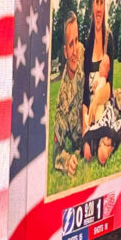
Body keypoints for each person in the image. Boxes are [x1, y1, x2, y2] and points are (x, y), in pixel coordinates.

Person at [82, 0, 121, 166]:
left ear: (105, 6)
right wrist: (85, 127)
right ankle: (101, 142)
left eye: (102, 2)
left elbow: (109, 87)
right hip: (91, 105)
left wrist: (95, 105)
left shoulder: (110, 39)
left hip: (105, 100)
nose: (99, 8)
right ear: (92, 6)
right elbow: (84, 93)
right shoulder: (86, 41)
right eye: (96, 2)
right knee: (88, 152)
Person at [53, 11, 85, 176]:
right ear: (65, 52)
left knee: (120, 98)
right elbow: (56, 152)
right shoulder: (63, 102)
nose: (75, 52)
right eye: (71, 45)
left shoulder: (82, 53)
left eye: (77, 41)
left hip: (97, 116)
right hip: (84, 141)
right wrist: (67, 161)